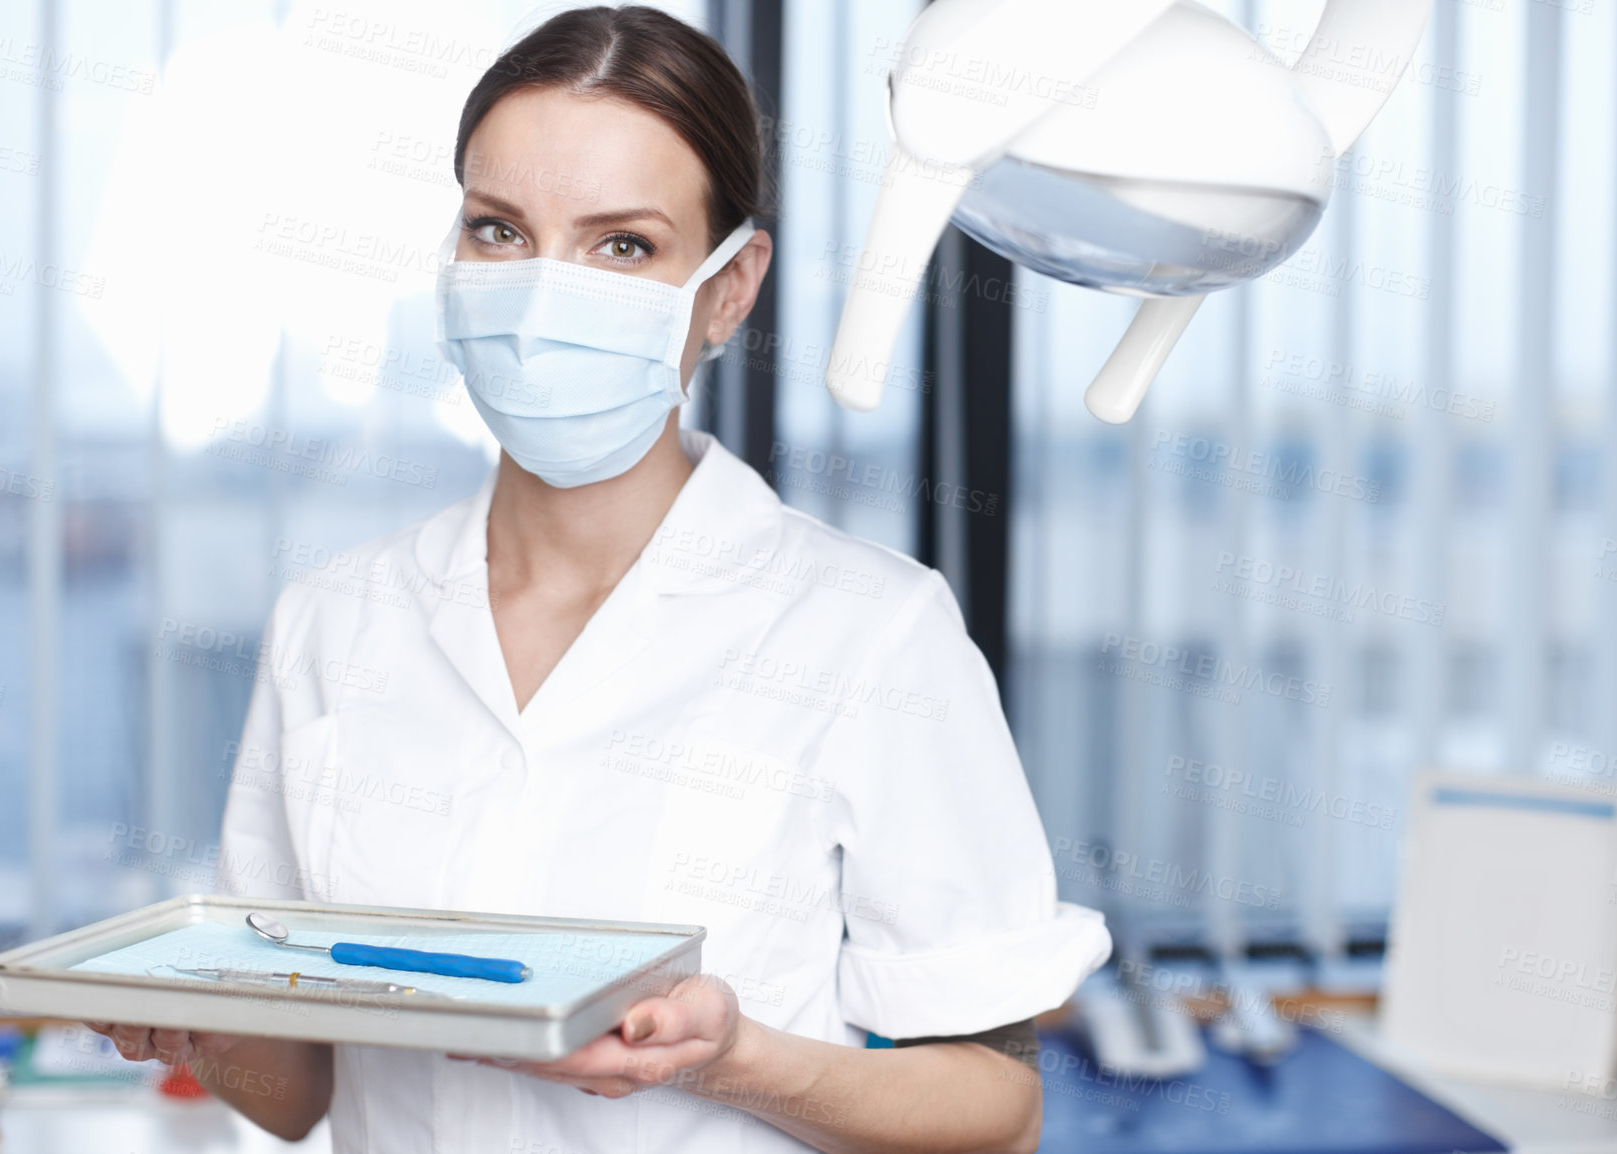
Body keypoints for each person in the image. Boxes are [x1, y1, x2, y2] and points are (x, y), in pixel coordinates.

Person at [86, 7, 1110, 1152]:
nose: (540, 293)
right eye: (499, 230)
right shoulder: (333, 620)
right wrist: (194, 1023)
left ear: (729, 287)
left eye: (623, 244)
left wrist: (736, 1060)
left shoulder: (874, 632)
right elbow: (301, 1091)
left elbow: (998, 1105)